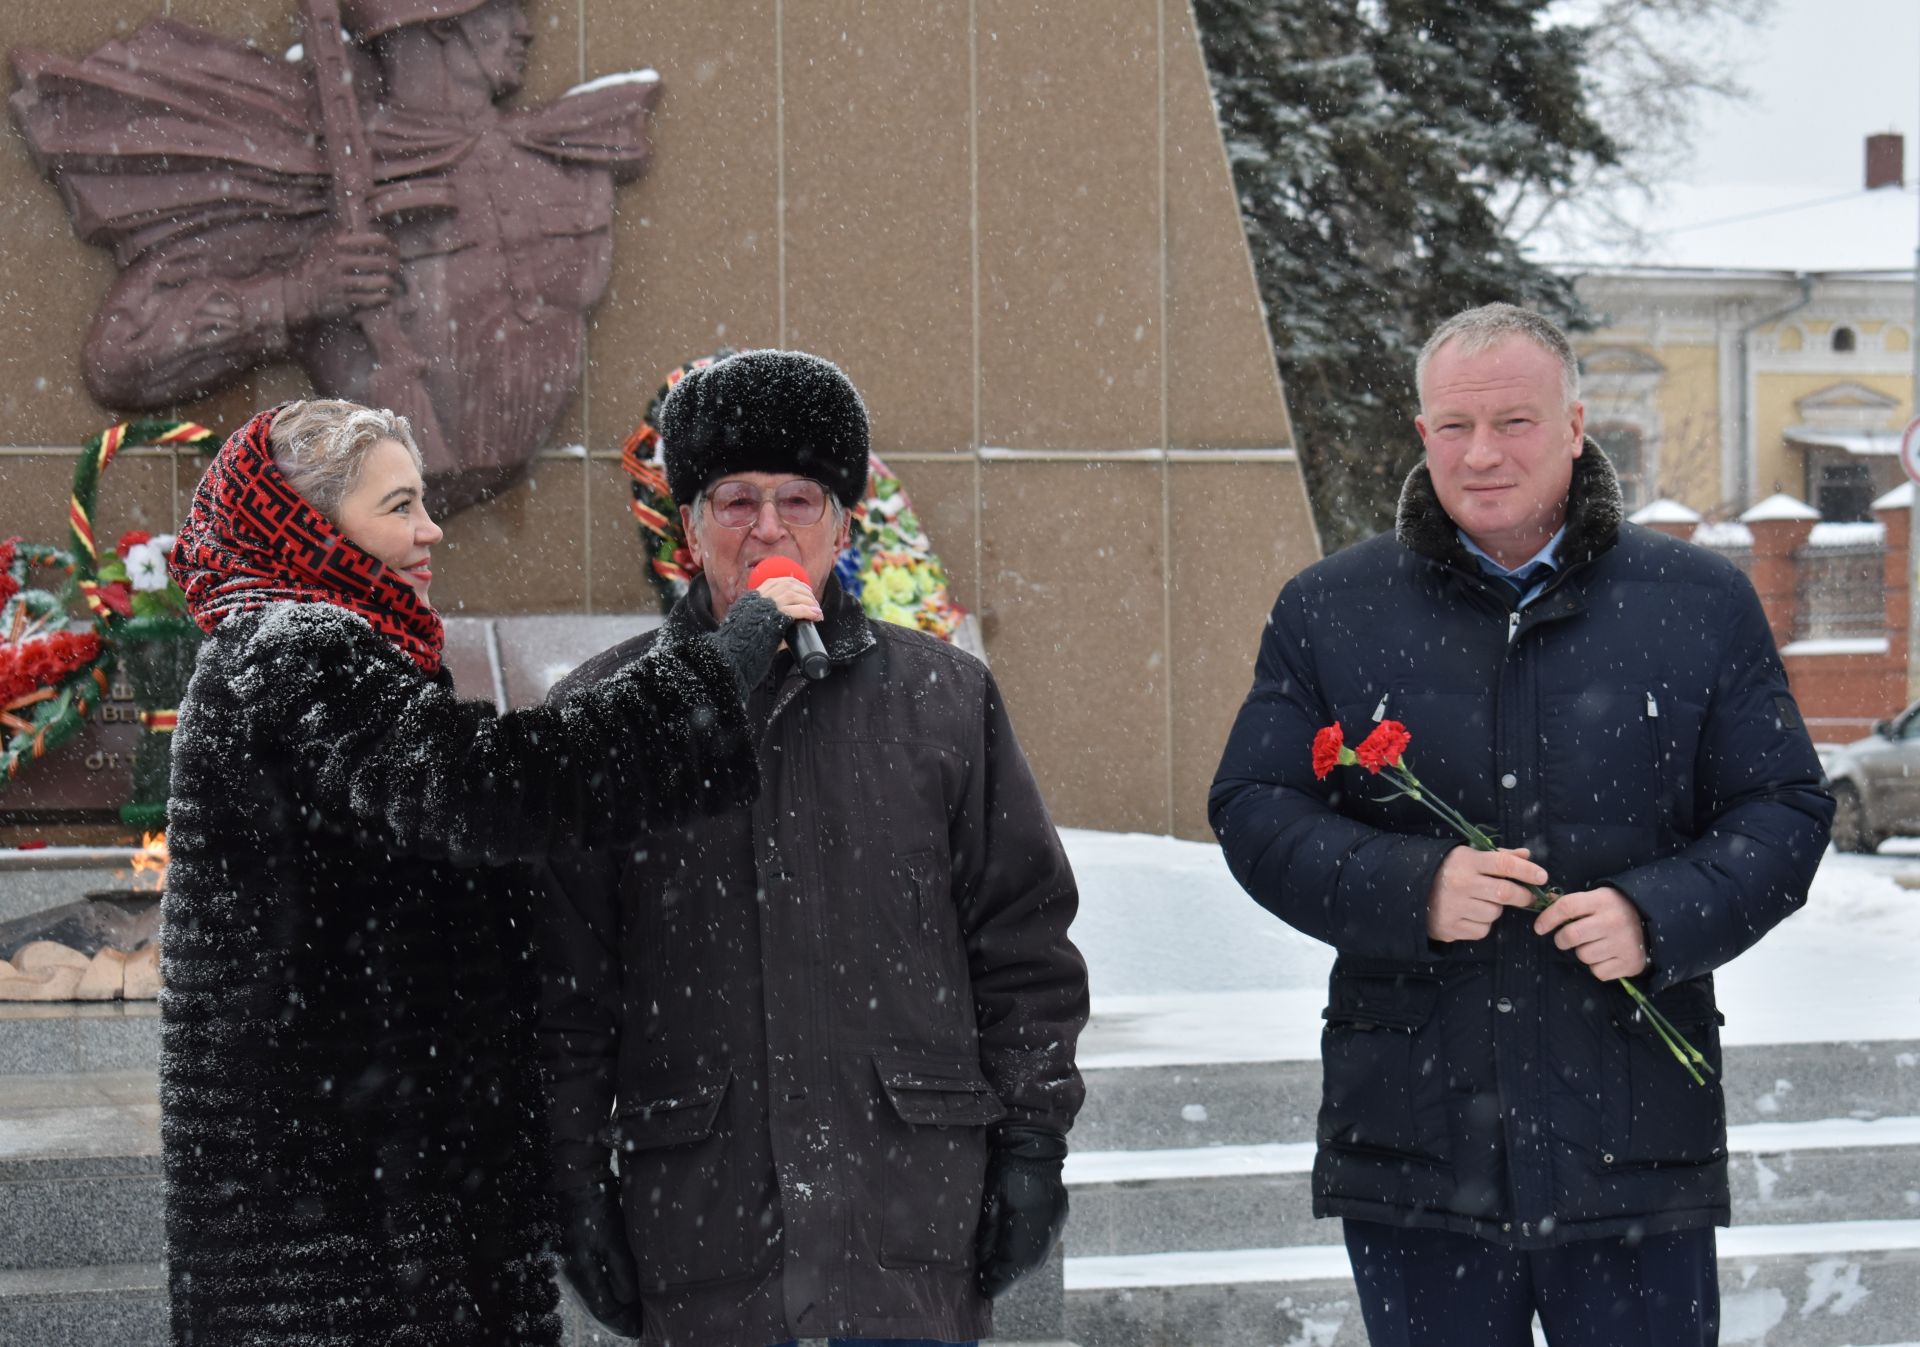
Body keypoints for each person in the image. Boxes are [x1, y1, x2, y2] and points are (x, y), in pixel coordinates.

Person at [1210, 304, 1833, 1347]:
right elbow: (1256, 809)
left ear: (1577, 425)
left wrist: (1656, 913)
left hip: (1632, 1135)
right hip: (1416, 1142)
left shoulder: (1698, 602)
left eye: (1515, 422)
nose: (1482, 452)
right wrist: (1411, 888)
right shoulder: (1332, 608)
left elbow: (1785, 809)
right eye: (1454, 425)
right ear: (1421, 436)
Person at [161, 399, 806, 1346]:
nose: (429, 530)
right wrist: (720, 665)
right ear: (309, 524)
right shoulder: (297, 650)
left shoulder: (304, 650)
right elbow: (492, 789)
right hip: (353, 1234)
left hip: (366, 1203)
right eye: (398, 506)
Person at [538, 350, 1089, 1347]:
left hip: (906, 1231)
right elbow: (563, 986)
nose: (767, 528)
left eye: (799, 497)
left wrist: (1033, 1140)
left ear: (844, 522)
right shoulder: (604, 716)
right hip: (702, 1235)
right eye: (736, 499)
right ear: (690, 523)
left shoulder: (945, 703)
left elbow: (1023, 945)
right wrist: (571, 1183)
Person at [16, 0, 656, 513]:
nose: (525, 28)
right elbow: (120, 356)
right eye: (498, 10)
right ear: (431, 25)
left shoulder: (562, 156)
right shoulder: (310, 173)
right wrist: (298, 295)